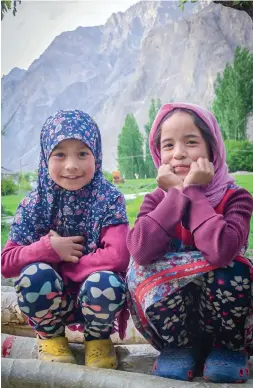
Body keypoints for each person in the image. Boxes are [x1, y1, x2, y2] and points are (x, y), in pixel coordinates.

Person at [126, 102, 253, 383]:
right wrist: (174, 196)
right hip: (177, 327)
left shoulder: (236, 198)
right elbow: (140, 250)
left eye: (191, 142)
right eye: (168, 145)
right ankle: (178, 349)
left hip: (225, 322)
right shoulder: (156, 200)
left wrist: (193, 193)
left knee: (234, 266)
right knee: (141, 268)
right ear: (159, 155)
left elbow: (221, 250)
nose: (179, 153)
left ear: (212, 149)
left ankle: (229, 348)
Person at [2, 110, 130, 369]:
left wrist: (68, 268)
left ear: (97, 154)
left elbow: (118, 255)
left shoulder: (108, 198)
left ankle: (97, 341)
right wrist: (48, 249)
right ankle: (51, 339)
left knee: (107, 280)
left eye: (83, 153)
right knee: (34, 275)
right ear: (45, 156)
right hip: (49, 302)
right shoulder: (34, 203)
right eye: (59, 154)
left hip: (96, 300)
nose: (72, 165)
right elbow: (6, 262)